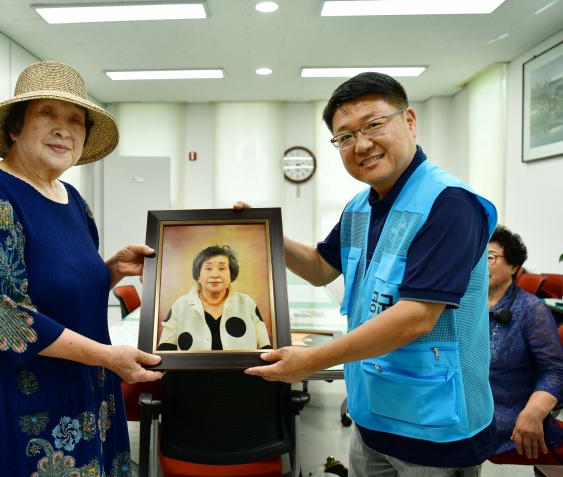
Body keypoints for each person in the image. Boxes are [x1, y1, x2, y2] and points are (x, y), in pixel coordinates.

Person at [243, 72, 498, 475]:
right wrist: (263, 234)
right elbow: (320, 268)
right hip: (373, 414)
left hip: (434, 426)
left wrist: (310, 361)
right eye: (345, 137)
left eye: (374, 125)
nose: (361, 144)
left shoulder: (449, 204)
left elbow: (416, 316)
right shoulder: (360, 206)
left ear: (409, 120)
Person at [0, 61, 162, 476]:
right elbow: (3, 313)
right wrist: (108, 357)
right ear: (15, 127)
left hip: (84, 394)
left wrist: (111, 271)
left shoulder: (74, 201)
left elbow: (62, 291)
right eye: (47, 114)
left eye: (75, 120)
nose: (64, 129)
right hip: (18, 409)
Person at [487, 225, 563, 464]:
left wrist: (534, 412)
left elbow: (554, 371)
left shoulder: (531, 310)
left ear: (513, 266)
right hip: (459, 417)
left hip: (509, 422)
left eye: (489, 257)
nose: (479, 264)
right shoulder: (462, 305)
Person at [157, 245, 271, 351]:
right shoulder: (180, 305)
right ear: (198, 275)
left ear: (231, 275)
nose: (215, 274)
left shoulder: (247, 303)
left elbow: (265, 347)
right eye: (208, 268)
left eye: (222, 268)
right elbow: (165, 350)